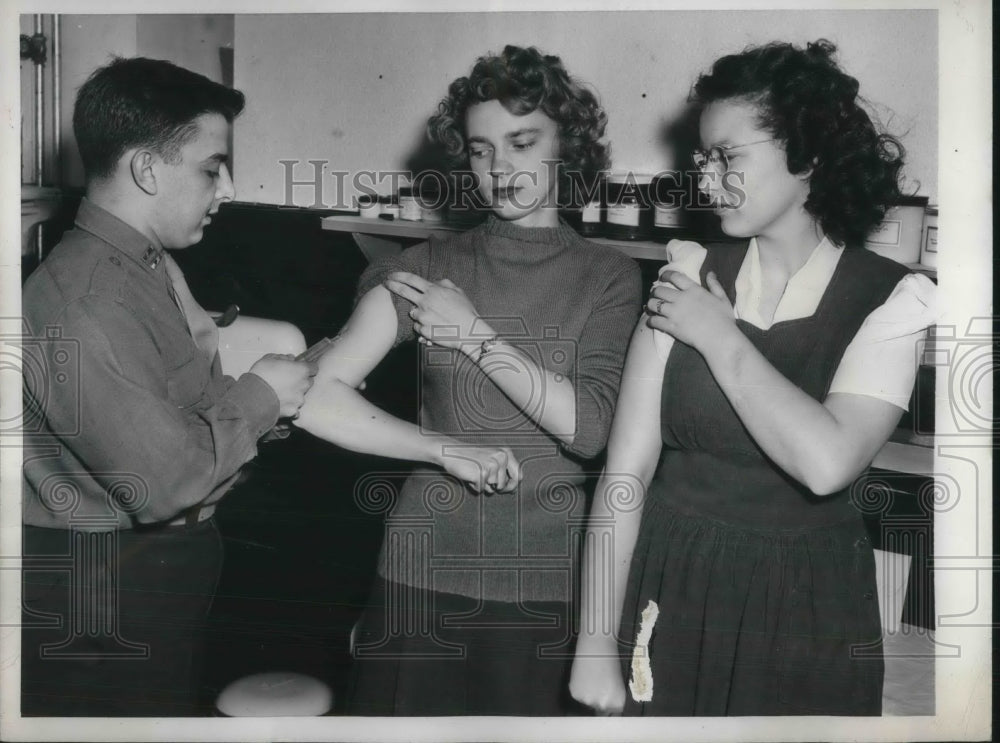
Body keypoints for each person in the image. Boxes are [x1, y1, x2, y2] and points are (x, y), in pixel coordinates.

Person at [569, 39, 937, 716]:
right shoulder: (683, 274)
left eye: (729, 157)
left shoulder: (892, 298)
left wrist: (718, 335)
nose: (707, 179)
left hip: (806, 606)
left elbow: (826, 461)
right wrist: (593, 640)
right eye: (703, 158)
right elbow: (625, 475)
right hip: (671, 583)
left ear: (808, 154)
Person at [294, 45, 641, 715]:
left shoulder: (609, 275)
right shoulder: (427, 265)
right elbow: (315, 398)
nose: (500, 166)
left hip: (547, 581)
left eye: (521, 141)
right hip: (421, 567)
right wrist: (443, 449)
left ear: (567, 144)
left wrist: (475, 335)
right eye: (482, 150)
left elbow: (590, 428)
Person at [20, 57, 317, 716]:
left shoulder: (144, 267)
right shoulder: (85, 299)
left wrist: (268, 405)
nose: (229, 189)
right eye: (212, 169)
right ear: (148, 170)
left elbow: (181, 413)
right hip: (100, 589)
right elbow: (160, 483)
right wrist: (262, 393)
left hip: (149, 574)